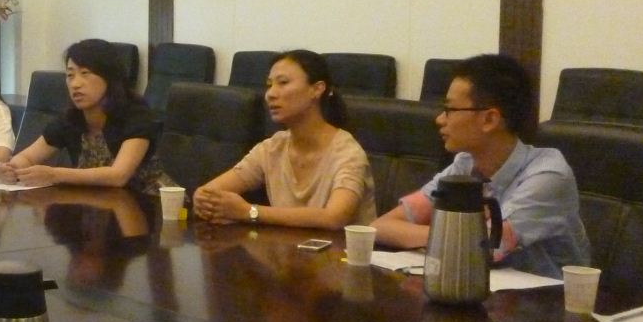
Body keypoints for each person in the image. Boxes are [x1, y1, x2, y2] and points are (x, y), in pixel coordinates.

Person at [372, 52, 590, 278]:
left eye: (450, 110)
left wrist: (438, 238)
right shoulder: (465, 163)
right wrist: (446, 237)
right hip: (484, 289)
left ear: (490, 119)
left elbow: (482, 249)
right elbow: (382, 226)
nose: (440, 119)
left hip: (549, 297)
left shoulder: (549, 175)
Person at [193, 49, 377, 229]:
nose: (270, 94)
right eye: (269, 85)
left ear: (317, 89)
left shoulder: (348, 153)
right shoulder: (273, 146)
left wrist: (249, 212)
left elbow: (334, 217)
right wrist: (204, 201)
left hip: (340, 249)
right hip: (286, 248)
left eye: (283, 83)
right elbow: (208, 193)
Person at [0, 38, 169, 193]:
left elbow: (118, 176)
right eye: (70, 75)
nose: (75, 84)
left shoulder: (136, 115)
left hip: (148, 202)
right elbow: (28, 156)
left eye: (85, 73)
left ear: (109, 76)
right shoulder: (71, 118)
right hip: (96, 202)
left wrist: (54, 175)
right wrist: (13, 168)